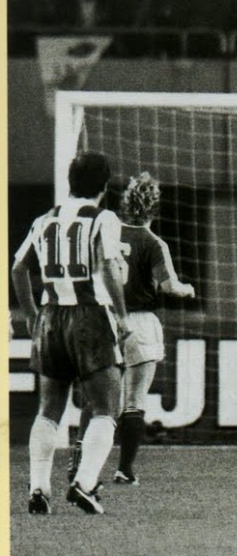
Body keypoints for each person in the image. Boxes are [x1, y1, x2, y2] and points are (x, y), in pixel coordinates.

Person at [11, 153, 128, 515]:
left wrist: (32, 316)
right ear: (104, 186)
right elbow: (107, 266)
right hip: (90, 317)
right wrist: (122, 316)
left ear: (70, 182)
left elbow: (18, 268)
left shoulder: (44, 220)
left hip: (51, 317)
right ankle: (85, 483)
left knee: (49, 409)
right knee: (107, 406)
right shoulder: (104, 218)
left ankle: (38, 488)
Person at [70, 173, 196, 487]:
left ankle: (79, 463)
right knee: (134, 400)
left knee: (96, 398)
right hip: (139, 322)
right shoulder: (154, 243)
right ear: (156, 208)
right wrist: (188, 289)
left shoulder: (107, 234)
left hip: (104, 317)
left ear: (125, 204)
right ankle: (124, 470)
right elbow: (169, 286)